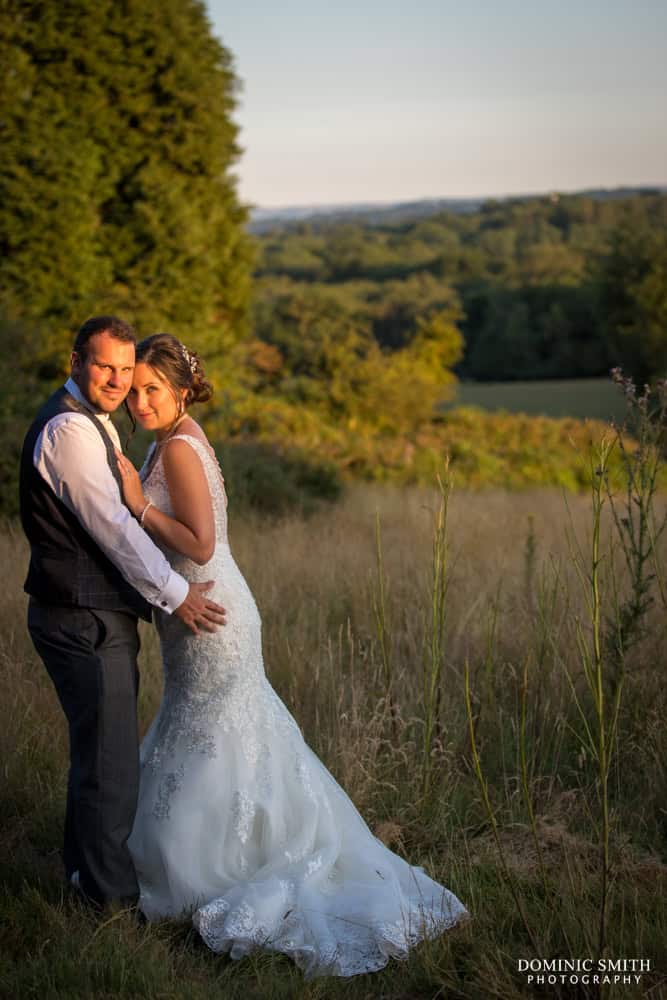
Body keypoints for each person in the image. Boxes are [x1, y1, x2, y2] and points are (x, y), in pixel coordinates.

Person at [117, 332, 467, 978]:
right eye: (134, 389)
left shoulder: (181, 451)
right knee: (207, 733)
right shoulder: (164, 440)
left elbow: (197, 544)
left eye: (152, 390)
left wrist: (137, 504)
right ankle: (200, 855)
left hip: (213, 620)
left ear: (183, 390)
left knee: (216, 737)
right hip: (193, 616)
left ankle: (213, 867)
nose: (139, 401)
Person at [19, 316, 226, 910]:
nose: (117, 381)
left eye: (126, 369)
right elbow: (113, 528)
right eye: (104, 366)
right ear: (77, 359)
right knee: (110, 768)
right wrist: (176, 594)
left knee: (100, 759)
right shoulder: (70, 431)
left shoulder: (95, 423)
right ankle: (109, 905)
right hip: (81, 616)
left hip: (93, 613)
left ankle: (82, 879)